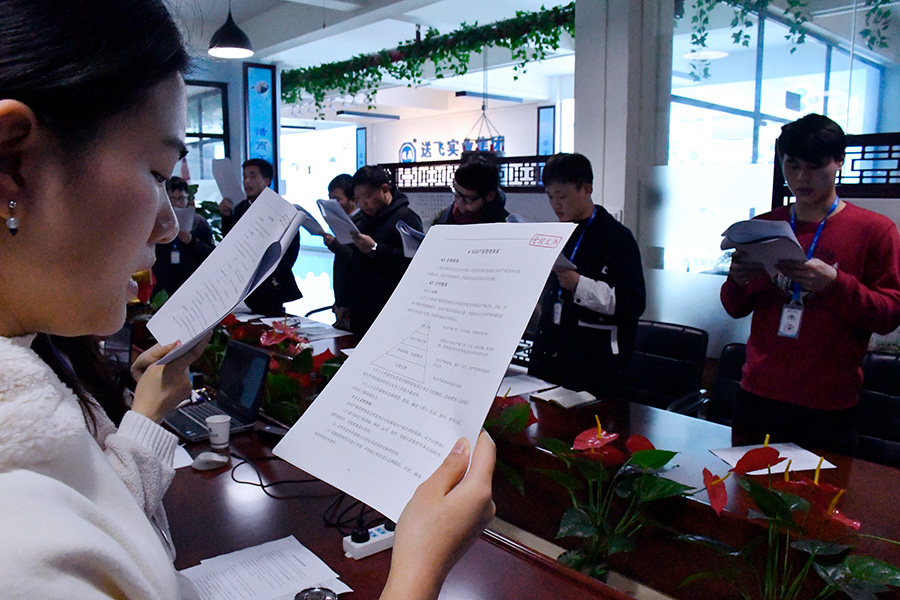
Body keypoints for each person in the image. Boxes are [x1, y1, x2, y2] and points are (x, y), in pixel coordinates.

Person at [0, 2, 495, 599]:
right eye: (157, 174)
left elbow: (105, 521)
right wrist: (420, 567)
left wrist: (148, 414)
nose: (168, 224)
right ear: (13, 164)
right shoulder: (21, 546)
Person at [721, 114, 900, 454]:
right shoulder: (763, 227)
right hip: (758, 395)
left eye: (815, 166)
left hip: (827, 406)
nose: (801, 178)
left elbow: (889, 315)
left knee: (821, 490)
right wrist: (738, 281)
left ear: (839, 161)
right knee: (746, 487)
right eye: (792, 165)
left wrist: (835, 284)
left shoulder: (874, 231)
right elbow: (734, 307)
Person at [528, 153, 646, 397]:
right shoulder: (558, 233)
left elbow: (633, 302)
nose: (555, 205)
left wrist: (579, 285)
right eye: (550, 197)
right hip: (550, 354)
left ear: (587, 189)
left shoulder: (616, 238)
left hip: (592, 363)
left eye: (562, 196)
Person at [219, 158, 302, 317]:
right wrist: (226, 217)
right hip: (244, 282)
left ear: (267, 181)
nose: (247, 181)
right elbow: (231, 242)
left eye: (252, 176)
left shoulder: (281, 209)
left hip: (272, 283)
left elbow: (291, 248)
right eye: (244, 176)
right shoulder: (241, 208)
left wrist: (275, 275)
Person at [348, 166, 423, 337]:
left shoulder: (406, 218)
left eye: (367, 196)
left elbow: (415, 263)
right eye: (358, 199)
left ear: (384, 189)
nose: (363, 204)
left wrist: (376, 248)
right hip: (362, 308)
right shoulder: (364, 219)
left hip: (391, 309)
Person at [152, 176, 215, 297]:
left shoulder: (199, 222)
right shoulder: (159, 223)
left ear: (188, 199)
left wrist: (192, 241)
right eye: (173, 199)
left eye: (181, 198)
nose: (177, 204)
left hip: (193, 284)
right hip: (164, 285)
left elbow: (211, 254)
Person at [322, 173, 362, 330]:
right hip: (342, 301)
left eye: (337, 199)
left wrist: (335, 245)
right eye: (330, 199)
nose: (333, 204)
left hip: (356, 302)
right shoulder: (340, 222)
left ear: (353, 199)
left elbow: (356, 260)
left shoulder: (362, 223)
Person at [435, 151, 509, 225]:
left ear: (490, 196)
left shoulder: (504, 224)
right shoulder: (444, 217)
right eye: (457, 194)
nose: (459, 203)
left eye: (468, 200)